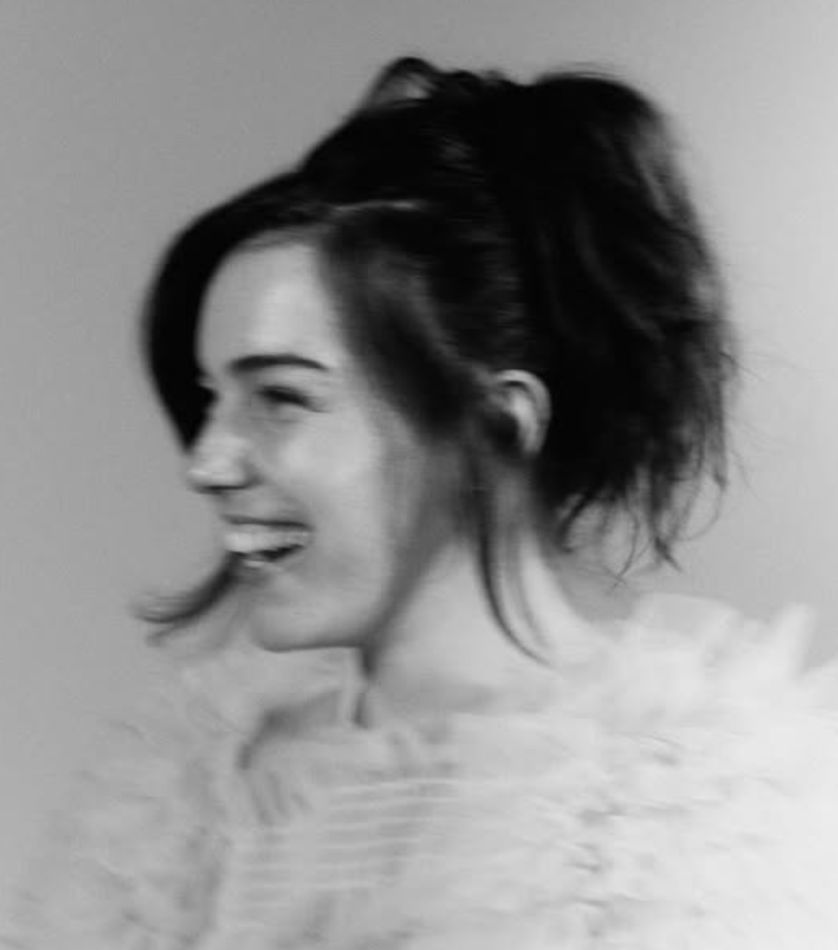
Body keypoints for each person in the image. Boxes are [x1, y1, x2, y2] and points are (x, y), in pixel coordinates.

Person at [10, 56, 838, 949]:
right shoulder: (179, 796)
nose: (206, 462)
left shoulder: (698, 824)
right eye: (211, 397)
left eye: (281, 397)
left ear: (499, 422)